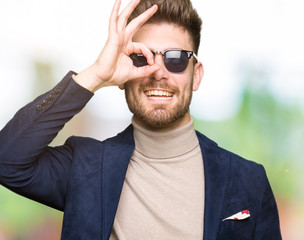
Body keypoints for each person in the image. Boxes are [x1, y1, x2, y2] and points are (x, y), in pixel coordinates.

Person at [0, 0, 282, 239]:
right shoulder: (85, 167)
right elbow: (7, 160)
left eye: (176, 58)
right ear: (122, 74)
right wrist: (96, 75)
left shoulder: (248, 180)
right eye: (141, 58)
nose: (158, 71)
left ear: (196, 75)